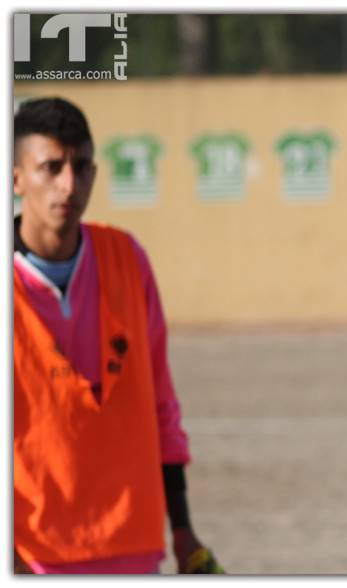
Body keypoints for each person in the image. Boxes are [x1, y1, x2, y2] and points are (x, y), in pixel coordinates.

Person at [12, 97, 223, 574]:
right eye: (51, 167)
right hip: (33, 554)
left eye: (81, 166)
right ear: (16, 176)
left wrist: (182, 530)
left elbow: (160, 403)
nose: (69, 183)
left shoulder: (126, 258)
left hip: (133, 543)